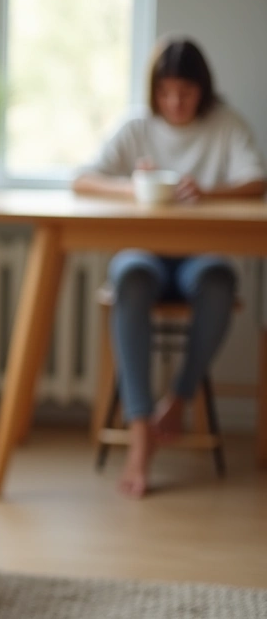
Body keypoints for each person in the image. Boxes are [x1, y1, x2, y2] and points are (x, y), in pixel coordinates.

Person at [73, 38, 266, 498]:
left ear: (203, 90)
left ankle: (178, 398)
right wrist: (132, 189)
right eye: (165, 93)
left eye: (185, 92)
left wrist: (208, 193)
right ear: (154, 91)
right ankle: (141, 432)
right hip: (145, 253)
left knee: (220, 281)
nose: (175, 103)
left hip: (200, 257)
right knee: (130, 275)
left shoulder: (225, 124)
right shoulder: (137, 125)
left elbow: (257, 181)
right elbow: (81, 178)